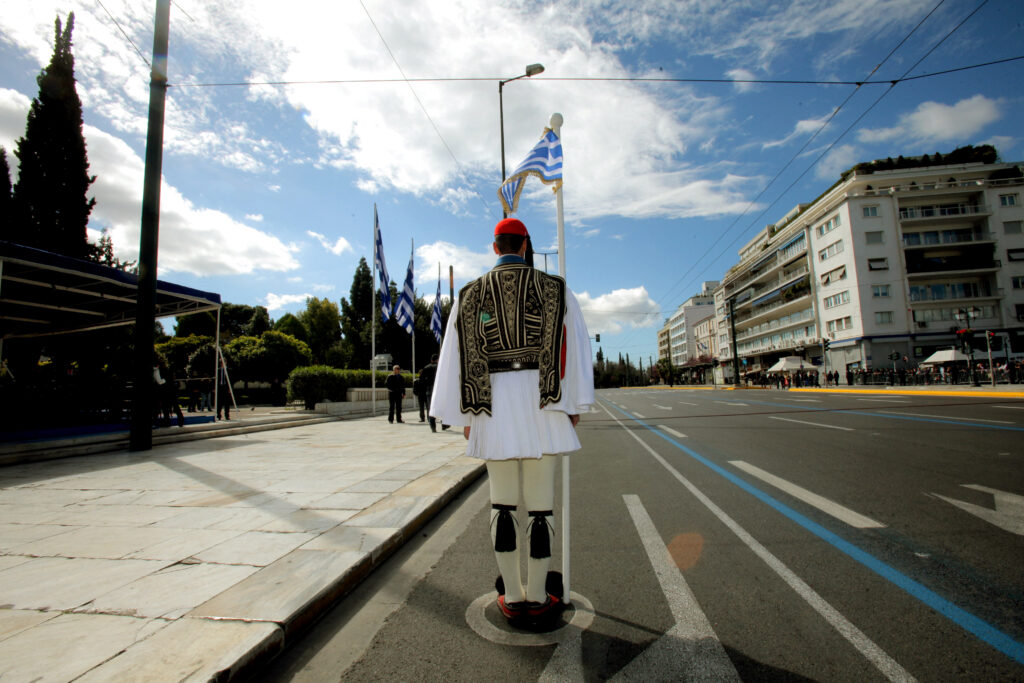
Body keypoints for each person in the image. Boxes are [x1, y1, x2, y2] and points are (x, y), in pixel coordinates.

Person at [430, 217, 594, 628]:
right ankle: (539, 595)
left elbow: (455, 357)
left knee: (502, 504)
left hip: (493, 406)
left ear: (494, 246)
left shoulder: (469, 294)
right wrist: (573, 403)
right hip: (544, 401)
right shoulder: (556, 288)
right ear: (525, 246)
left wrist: (464, 415)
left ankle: (514, 595)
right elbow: (574, 348)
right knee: (541, 506)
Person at [418, 354, 439, 432]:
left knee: (431, 408)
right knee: (442, 406)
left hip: (430, 389)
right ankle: (445, 424)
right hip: (438, 389)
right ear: (437, 360)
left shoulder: (426, 368)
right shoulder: (439, 367)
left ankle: (433, 426)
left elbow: (421, 380)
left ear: (431, 360)